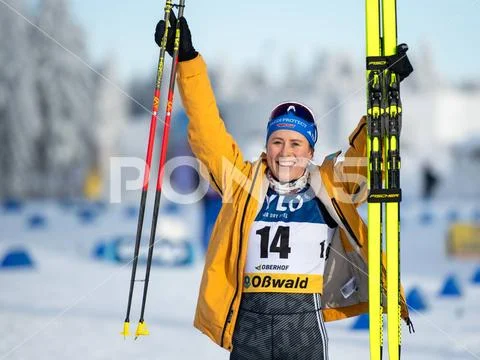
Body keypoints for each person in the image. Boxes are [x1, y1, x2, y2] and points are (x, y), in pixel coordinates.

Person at [155, 14, 413, 360]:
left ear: (310, 151)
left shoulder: (328, 186)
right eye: (277, 141)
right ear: (266, 146)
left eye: (296, 144)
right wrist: (187, 61)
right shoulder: (243, 184)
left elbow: (365, 158)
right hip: (250, 326)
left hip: (303, 326)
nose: (286, 152)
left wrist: (383, 101)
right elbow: (206, 131)